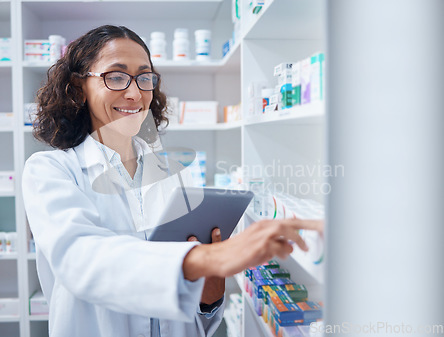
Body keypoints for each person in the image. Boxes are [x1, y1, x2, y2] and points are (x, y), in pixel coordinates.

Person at [22, 25, 324, 337]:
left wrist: (212, 282)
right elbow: (81, 259)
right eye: (116, 76)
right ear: (78, 86)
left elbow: (199, 307)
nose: (135, 93)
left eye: (144, 76)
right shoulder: (50, 170)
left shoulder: (174, 172)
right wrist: (209, 256)